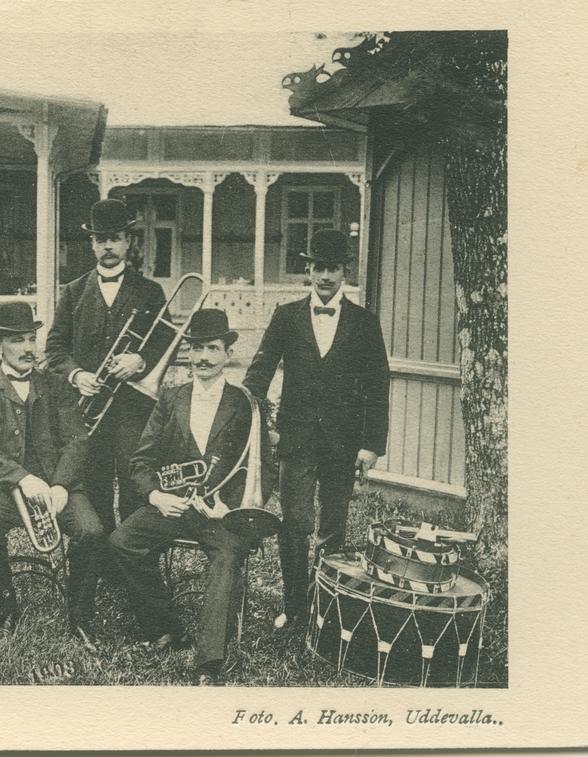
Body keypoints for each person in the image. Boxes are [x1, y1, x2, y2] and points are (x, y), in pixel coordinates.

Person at [242, 229, 390, 630]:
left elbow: (378, 386)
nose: (325, 276)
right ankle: (294, 608)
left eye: (333, 268)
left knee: (333, 528)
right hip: (296, 440)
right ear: (307, 270)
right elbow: (260, 371)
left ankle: (323, 606)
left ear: (344, 272)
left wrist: (371, 445)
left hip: (343, 443)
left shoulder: (364, 323)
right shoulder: (286, 316)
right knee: (294, 526)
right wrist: (247, 417)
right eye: (318, 268)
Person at [110, 309, 253, 685]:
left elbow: (260, 468)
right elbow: (140, 462)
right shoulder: (170, 398)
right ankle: (166, 627)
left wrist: (231, 508)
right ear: (188, 352)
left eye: (212, 348)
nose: (203, 357)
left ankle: (209, 661)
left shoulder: (244, 403)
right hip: (172, 505)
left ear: (227, 354)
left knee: (226, 558)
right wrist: (156, 495)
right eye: (197, 348)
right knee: (121, 541)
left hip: (219, 513)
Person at [0, 302, 105, 646]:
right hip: (4, 487)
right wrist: (22, 479)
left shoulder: (57, 385)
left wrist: (61, 484)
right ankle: (6, 613)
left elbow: (77, 441)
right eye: (17, 340)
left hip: (57, 483)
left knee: (92, 531)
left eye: (31, 339)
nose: (28, 348)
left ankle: (80, 618)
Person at [45, 198, 170, 535]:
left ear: (128, 241)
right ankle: (99, 556)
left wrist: (140, 360)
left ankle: (131, 553)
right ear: (92, 244)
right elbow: (54, 348)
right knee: (92, 484)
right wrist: (77, 374)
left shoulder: (150, 291)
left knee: (135, 483)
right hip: (88, 410)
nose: (108, 246)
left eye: (115, 238)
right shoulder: (73, 292)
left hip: (134, 407)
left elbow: (166, 341)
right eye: (101, 240)